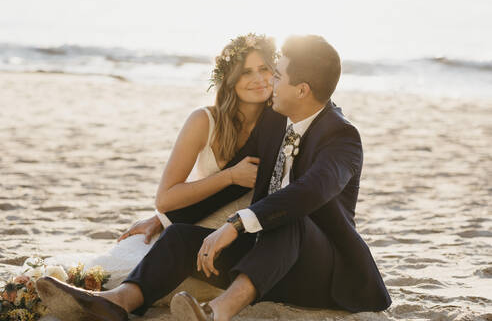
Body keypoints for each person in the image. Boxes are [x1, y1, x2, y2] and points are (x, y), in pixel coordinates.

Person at [36, 35, 392, 321]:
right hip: (264, 264)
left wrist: (236, 225)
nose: (271, 81)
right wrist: (162, 219)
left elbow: (311, 191)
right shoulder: (274, 122)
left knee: (289, 218)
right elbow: (233, 180)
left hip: (321, 275)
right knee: (179, 238)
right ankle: (117, 302)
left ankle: (216, 313)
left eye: (278, 75)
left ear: (302, 89)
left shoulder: (341, 137)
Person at [41, 33, 277, 297]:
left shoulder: (281, 124)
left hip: (233, 242)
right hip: (184, 231)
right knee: (107, 275)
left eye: (264, 68)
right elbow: (165, 199)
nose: (258, 79)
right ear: (230, 79)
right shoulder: (203, 121)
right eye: (246, 72)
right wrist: (230, 176)